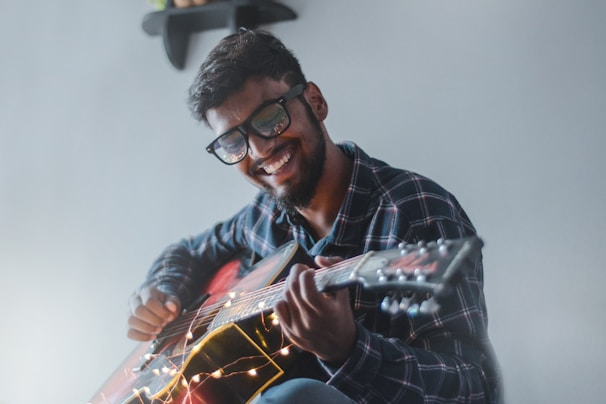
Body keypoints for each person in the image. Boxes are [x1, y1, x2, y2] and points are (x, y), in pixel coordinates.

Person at [127, 29, 501, 403]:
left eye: (269, 117)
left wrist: (350, 350)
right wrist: (163, 291)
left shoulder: (417, 212)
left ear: (315, 102)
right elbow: (189, 251)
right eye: (233, 142)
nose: (258, 150)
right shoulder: (264, 218)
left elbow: (474, 389)